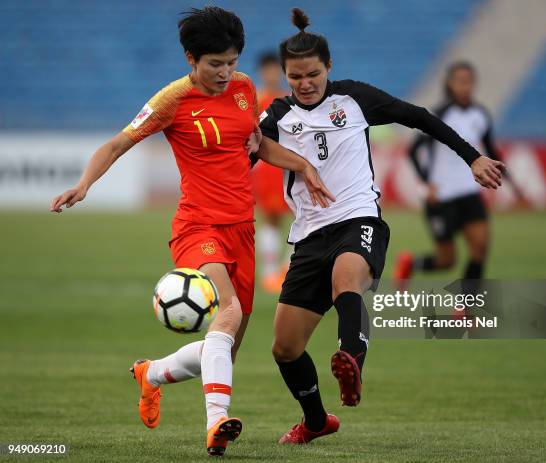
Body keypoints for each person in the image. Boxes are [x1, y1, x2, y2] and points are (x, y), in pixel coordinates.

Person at [49, 6, 333, 456]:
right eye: (214, 64)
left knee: (224, 346)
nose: (225, 72)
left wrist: (302, 166)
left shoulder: (244, 89)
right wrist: (84, 184)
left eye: (231, 61)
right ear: (190, 59)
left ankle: (153, 374)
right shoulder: (172, 101)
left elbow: (258, 145)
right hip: (197, 226)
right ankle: (217, 423)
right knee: (229, 313)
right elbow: (118, 143)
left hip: (242, 229)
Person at [258, 9, 504, 445]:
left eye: (313, 73)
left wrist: (473, 158)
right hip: (309, 236)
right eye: (295, 76)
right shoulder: (276, 115)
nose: (305, 83)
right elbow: (246, 153)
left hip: (358, 218)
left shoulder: (354, 99)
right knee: (285, 347)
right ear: (286, 75)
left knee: (346, 281)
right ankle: (316, 421)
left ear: (328, 68)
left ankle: (351, 359)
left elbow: (420, 117)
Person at [394, 61, 525, 288]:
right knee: (447, 261)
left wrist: (513, 184)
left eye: (469, 82)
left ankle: (464, 307)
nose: (465, 87)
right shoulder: (440, 115)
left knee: (480, 248)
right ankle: (411, 263)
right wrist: (427, 184)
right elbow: (414, 150)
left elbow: (490, 150)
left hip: (469, 191)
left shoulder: (480, 114)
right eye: (460, 82)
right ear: (450, 84)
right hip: (441, 196)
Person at [251, 52, 291, 293]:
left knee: (304, 218)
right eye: (268, 69)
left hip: (288, 166)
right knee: (272, 219)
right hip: (267, 170)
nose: (272, 74)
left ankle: (287, 268)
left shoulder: (288, 99)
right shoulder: (256, 100)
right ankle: (269, 273)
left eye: (275, 69)